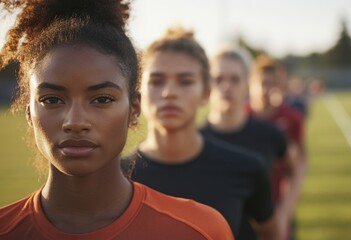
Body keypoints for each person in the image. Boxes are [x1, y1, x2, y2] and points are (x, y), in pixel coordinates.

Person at [0, 1, 233, 239]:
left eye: (101, 99)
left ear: (134, 109)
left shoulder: (198, 230)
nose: (75, 121)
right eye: (51, 100)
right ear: (29, 113)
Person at [122, 28, 278, 240]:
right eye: (157, 81)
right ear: (139, 95)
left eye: (185, 81)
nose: (169, 92)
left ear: (206, 93)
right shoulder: (116, 176)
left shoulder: (246, 168)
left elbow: (270, 233)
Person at [200, 47, 291, 220]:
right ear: (208, 85)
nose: (226, 86)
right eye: (218, 79)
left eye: (235, 79)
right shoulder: (194, 140)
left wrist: (284, 212)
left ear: (247, 84)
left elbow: (292, 170)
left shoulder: (270, 135)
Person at [248, 54, 307, 240]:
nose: (266, 89)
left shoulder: (291, 118)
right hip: (245, 207)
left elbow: (300, 162)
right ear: (251, 84)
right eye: (262, 83)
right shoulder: (241, 118)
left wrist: (285, 211)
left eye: (272, 84)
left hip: (277, 205)